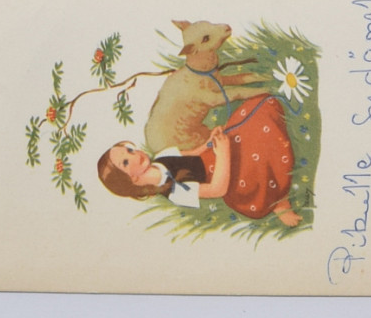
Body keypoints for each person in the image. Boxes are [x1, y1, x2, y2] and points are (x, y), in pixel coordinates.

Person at [97, 92, 301, 227]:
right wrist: (223, 154)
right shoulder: (174, 192)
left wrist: (210, 143)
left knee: (258, 110)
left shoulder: (161, 157)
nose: (134, 154)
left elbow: (193, 153)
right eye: (126, 162)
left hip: (215, 154)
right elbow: (217, 189)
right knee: (258, 158)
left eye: (129, 150)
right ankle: (279, 202)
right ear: (131, 180)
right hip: (228, 177)